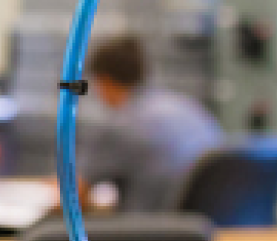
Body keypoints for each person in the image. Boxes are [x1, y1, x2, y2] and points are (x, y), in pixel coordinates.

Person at [79, 34, 223, 213]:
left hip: (149, 234)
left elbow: (75, 198)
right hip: (212, 232)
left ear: (105, 81)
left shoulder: (119, 126)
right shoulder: (192, 110)